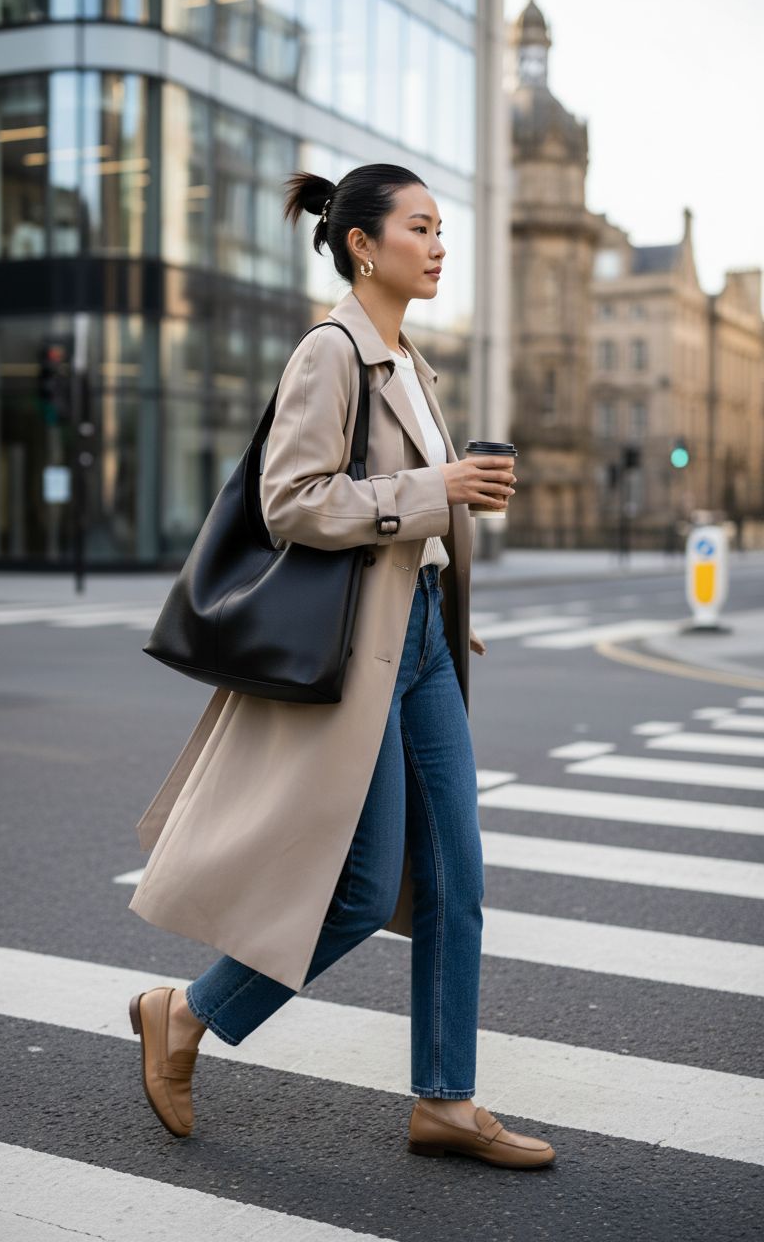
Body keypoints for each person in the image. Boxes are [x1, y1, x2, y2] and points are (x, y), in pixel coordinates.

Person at [128, 163, 555, 1170]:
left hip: (421, 642)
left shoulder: (409, 362)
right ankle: (185, 1015)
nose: (439, 245)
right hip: (358, 655)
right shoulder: (330, 353)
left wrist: (441, 591)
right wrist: (438, 487)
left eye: (441, 228)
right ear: (363, 245)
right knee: (362, 891)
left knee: (456, 882)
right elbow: (293, 502)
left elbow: (402, 517)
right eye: (420, 227)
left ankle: (445, 1100)